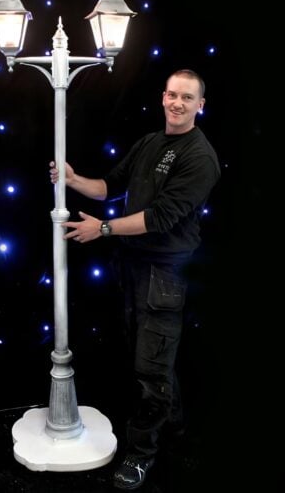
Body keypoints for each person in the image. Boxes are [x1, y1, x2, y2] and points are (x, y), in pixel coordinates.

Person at [49, 69, 221, 490]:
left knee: (151, 367)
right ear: (163, 97)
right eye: (172, 95)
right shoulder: (150, 142)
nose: (177, 103)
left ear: (200, 105)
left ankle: (142, 454)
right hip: (132, 266)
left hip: (165, 272)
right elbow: (110, 186)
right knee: (148, 359)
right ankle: (175, 428)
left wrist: (103, 229)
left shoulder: (201, 157)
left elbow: (160, 217)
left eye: (187, 98)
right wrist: (73, 179)